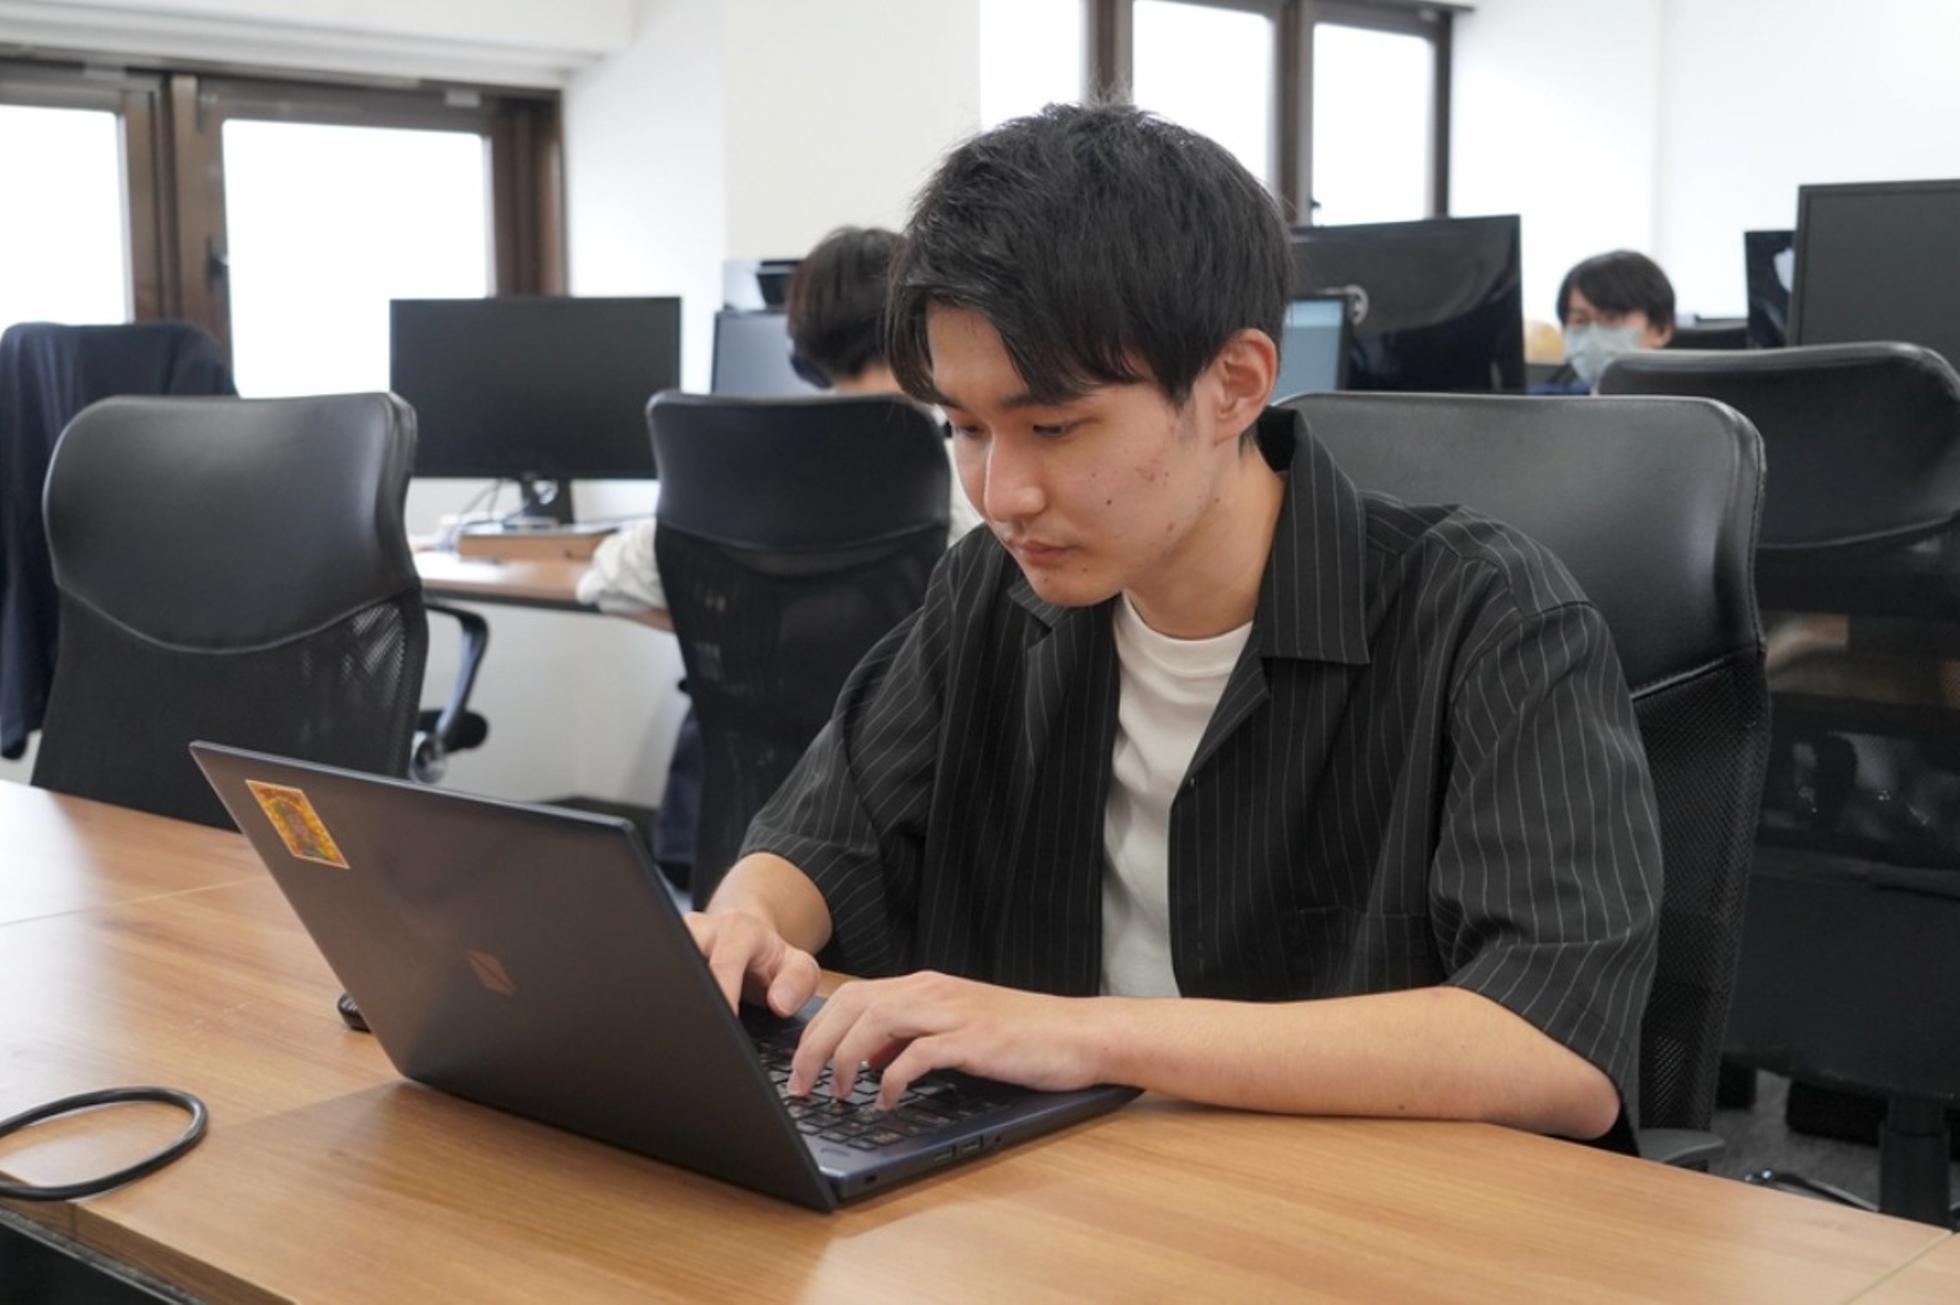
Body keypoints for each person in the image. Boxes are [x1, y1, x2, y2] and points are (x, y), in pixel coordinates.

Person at [690, 104, 1662, 1149]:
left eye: (1054, 426)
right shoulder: (990, 593)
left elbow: (1554, 1047)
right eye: (964, 429)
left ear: (1235, 384)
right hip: (1050, 1185)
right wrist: (748, 923)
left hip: (1344, 1208)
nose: (1002, 495)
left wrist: (1086, 1036)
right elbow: (818, 837)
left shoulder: (1486, 615)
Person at [578, 225, 983, 619]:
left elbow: (606, 583)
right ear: (926, 333)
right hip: (916, 669)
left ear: (802, 357)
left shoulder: (746, 476)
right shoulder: (958, 476)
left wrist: (737, 632)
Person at [1535, 250, 1677, 394]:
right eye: (1579, 320)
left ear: (1660, 329)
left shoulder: (1687, 405)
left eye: (1611, 318)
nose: (1593, 337)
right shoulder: (1542, 404)